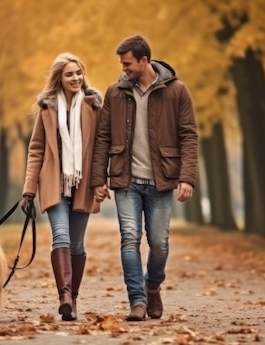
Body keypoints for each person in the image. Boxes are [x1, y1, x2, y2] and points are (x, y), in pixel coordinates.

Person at [91, 35, 198, 321]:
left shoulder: (176, 91)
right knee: (129, 239)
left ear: (144, 60)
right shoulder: (115, 92)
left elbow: (189, 135)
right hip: (127, 180)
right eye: (121, 63)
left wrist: (187, 177)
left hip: (161, 180)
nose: (123, 68)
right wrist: (98, 179)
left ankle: (152, 287)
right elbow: (102, 137)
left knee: (160, 243)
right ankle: (137, 301)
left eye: (127, 63)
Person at [20, 52, 103, 321]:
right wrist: (28, 190)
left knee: (77, 245)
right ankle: (64, 297)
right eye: (69, 74)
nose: (75, 78)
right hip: (54, 183)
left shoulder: (94, 106)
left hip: (83, 184)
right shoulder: (47, 109)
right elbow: (36, 150)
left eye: (79, 73)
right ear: (60, 78)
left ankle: (74, 299)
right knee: (62, 238)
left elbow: (102, 149)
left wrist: (102, 180)